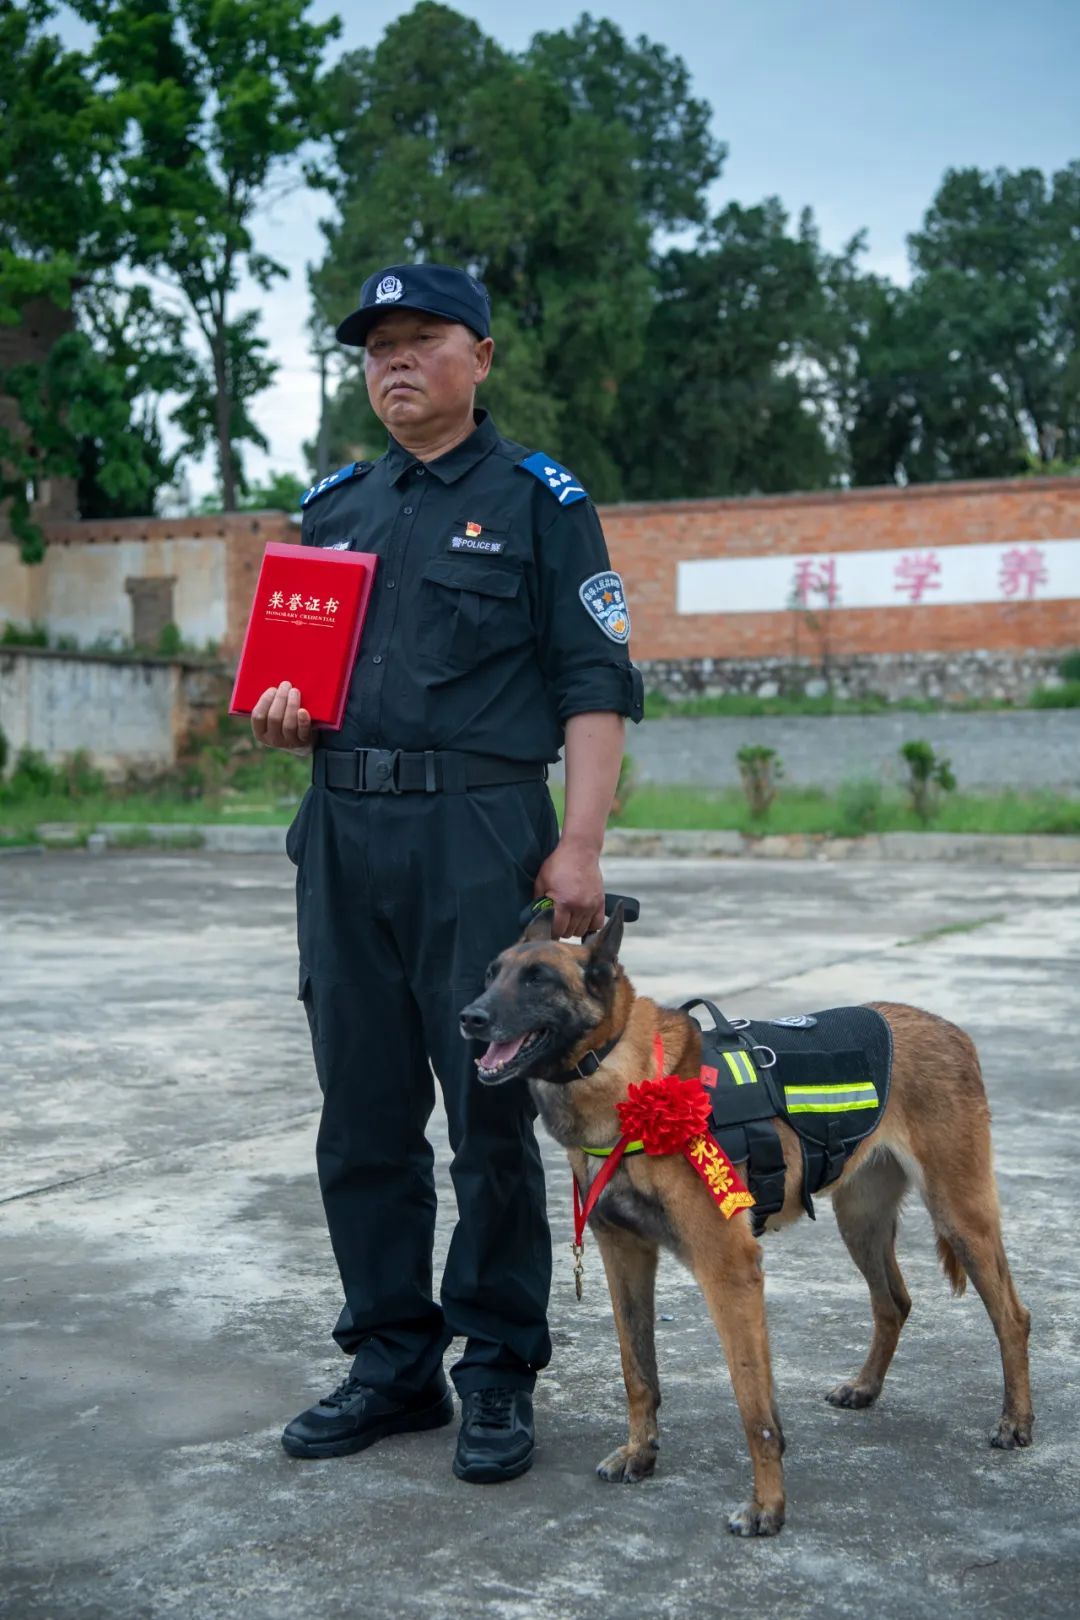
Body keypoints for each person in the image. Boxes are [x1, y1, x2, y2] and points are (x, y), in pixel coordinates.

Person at [251, 262, 643, 1483]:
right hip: (341, 837)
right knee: (362, 1109)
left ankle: (494, 1371)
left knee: (486, 1118)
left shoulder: (538, 500)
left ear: (481, 357)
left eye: (422, 341)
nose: (395, 364)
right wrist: (275, 712)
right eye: (377, 350)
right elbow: (301, 683)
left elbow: (595, 681)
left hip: (480, 837)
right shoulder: (333, 509)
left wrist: (577, 842)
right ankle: (390, 1363)